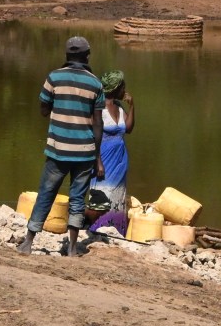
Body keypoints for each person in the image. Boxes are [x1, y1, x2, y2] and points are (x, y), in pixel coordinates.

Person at [17, 35, 104, 257]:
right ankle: (73, 248)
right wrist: (97, 157)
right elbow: (98, 124)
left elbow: (43, 108)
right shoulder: (95, 83)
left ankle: (28, 242)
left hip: (58, 150)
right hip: (84, 152)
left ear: (67, 56)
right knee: (77, 198)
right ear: (86, 56)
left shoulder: (53, 77)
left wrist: (58, 110)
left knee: (46, 193)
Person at [88, 69, 135, 219]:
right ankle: (89, 225)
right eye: (122, 87)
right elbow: (92, 137)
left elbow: (128, 129)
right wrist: (98, 162)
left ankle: (114, 229)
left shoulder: (119, 107)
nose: (125, 90)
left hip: (119, 160)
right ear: (115, 89)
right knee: (102, 196)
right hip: (103, 159)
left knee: (117, 194)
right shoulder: (98, 108)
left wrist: (132, 106)